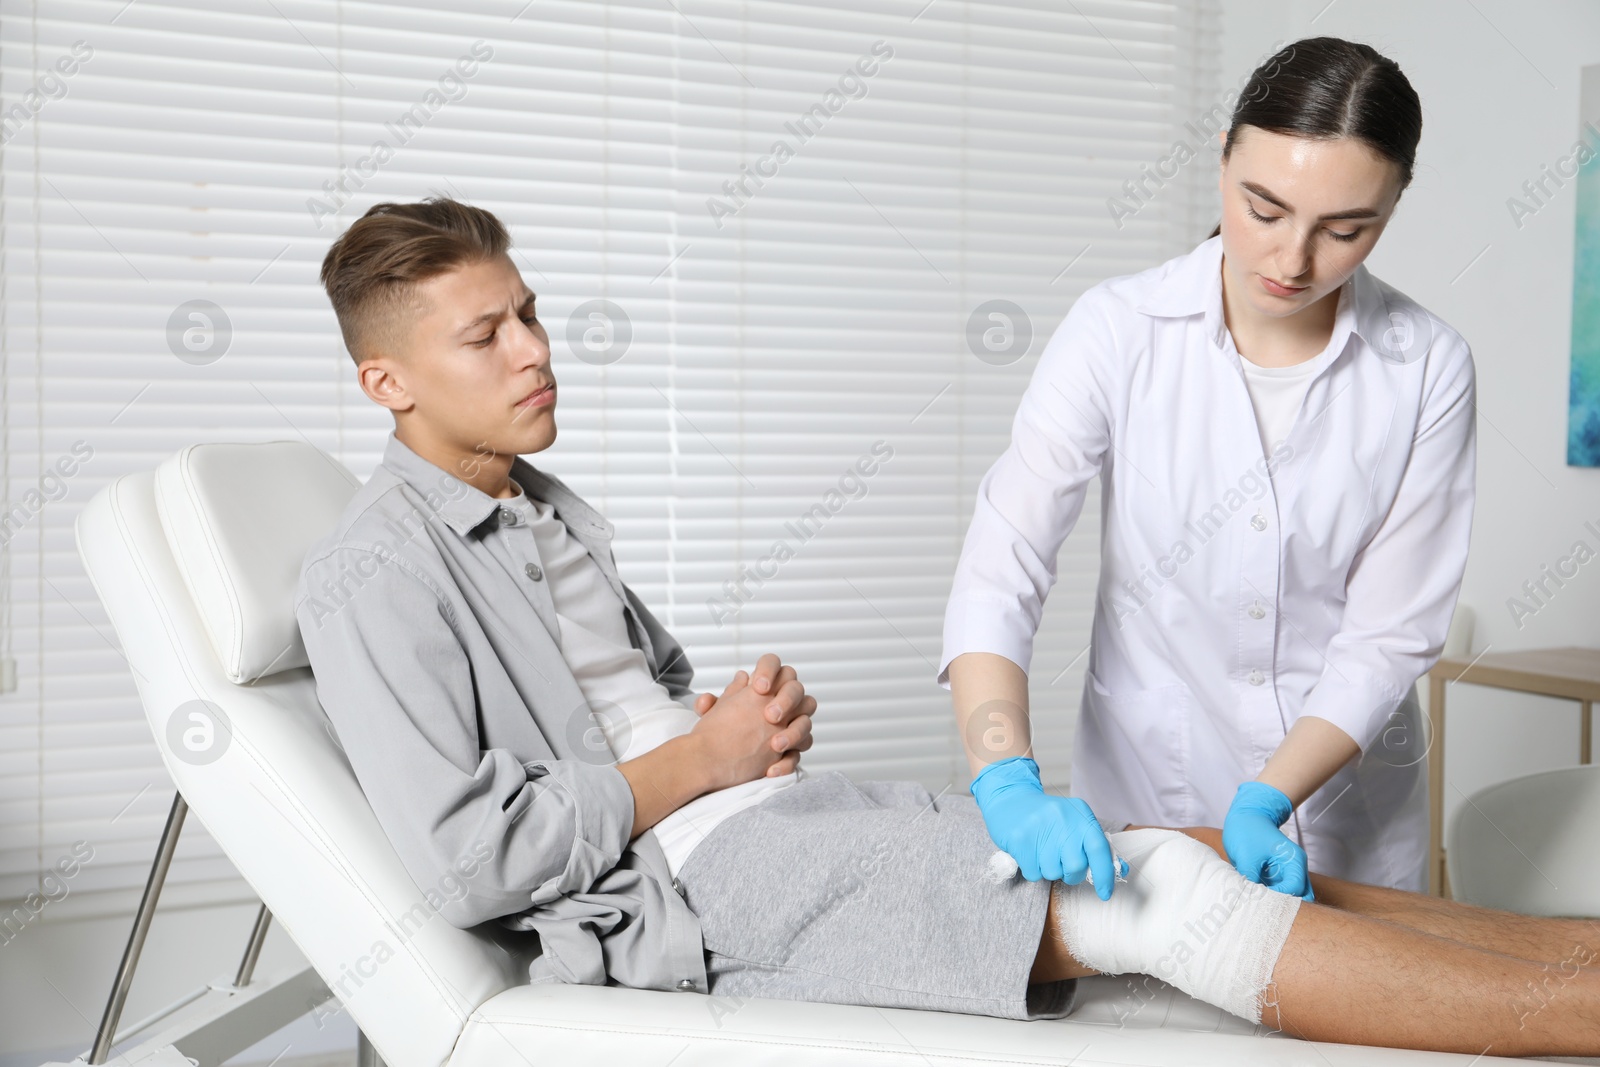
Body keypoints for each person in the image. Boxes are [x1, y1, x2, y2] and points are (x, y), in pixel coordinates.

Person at [293, 196, 1600, 1058]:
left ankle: (1579, 953)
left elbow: (647, 696)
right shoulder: (374, 574)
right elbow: (471, 859)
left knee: (1182, 847)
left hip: (753, 822)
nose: (534, 348)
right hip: (677, 891)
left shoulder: (546, 508)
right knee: (1168, 903)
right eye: (487, 333)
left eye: (529, 312)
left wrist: (729, 720)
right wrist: (705, 758)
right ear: (388, 381)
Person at [942, 36, 1473, 900]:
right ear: (1223, 158)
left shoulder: (1427, 367)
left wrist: (1272, 794)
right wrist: (1005, 778)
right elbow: (1003, 564)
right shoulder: (1117, 330)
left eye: (1346, 231)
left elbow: (1389, 634)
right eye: (1263, 210)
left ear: (1393, 207)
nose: (1293, 260)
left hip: (1338, 821)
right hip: (1151, 799)